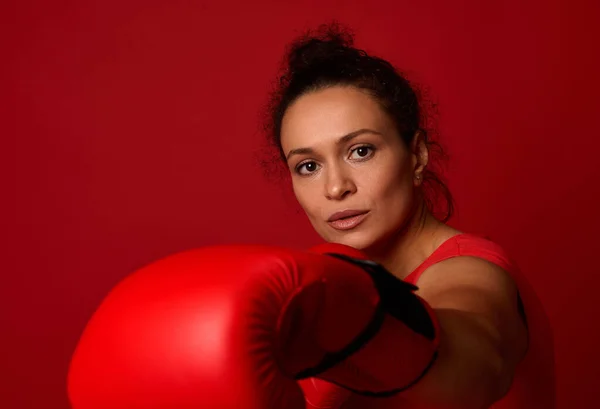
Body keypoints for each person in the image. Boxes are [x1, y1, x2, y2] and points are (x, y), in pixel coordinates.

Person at [67, 24, 555, 409]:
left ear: (418, 155)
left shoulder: (472, 271)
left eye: (361, 150)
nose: (335, 186)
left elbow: (472, 366)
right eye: (308, 165)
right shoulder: (321, 287)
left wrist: (356, 325)